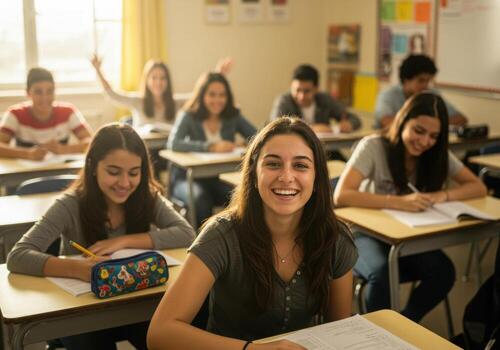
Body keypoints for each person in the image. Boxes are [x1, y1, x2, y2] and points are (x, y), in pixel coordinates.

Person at [148, 117, 357, 349]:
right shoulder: (221, 235)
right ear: (254, 176)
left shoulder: (335, 237)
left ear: (317, 178)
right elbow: (160, 333)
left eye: (300, 165)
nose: (286, 176)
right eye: (273, 164)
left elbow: (340, 332)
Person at [7, 123, 196, 350]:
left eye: (134, 173)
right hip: (82, 312)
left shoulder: (147, 197)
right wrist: (80, 270)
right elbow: (17, 256)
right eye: (113, 172)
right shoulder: (70, 205)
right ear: (93, 166)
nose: (125, 183)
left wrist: (122, 241)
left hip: (134, 304)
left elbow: (187, 234)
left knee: (169, 337)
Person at [334, 92, 487, 322]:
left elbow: (478, 187)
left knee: (444, 272)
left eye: (434, 136)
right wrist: (398, 202)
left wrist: (440, 195)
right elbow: (342, 195)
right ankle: (381, 335)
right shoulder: (374, 146)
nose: (425, 141)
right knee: (381, 274)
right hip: (366, 233)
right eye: (419, 131)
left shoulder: (435, 153)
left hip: (408, 236)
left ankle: (403, 324)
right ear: (402, 121)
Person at [167, 72, 257, 228]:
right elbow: (173, 143)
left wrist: (243, 145)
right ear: (202, 95)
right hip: (187, 179)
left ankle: (237, 243)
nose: (217, 100)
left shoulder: (232, 115)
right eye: (212, 94)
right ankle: (202, 248)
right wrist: (210, 147)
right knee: (201, 200)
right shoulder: (189, 115)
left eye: (222, 95)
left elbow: (258, 136)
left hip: (219, 177)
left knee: (246, 194)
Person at [0, 67, 92, 160]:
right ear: (28, 93)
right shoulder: (15, 114)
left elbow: (91, 142)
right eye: (38, 92)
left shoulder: (68, 112)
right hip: (26, 172)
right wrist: (27, 154)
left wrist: (64, 149)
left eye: (50, 91)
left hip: (59, 169)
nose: (45, 97)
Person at [374, 54, 468, 129]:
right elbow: (386, 122)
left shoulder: (431, 94)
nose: (425, 86)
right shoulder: (387, 96)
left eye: (428, 81)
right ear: (406, 80)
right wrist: (425, 125)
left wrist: (430, 126)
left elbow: (461, 119)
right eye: (421, 80)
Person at [270, 64, 361, 133]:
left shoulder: (324, 99)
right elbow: (275, 128)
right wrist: (314, 128)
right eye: (297, 90)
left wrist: (348, 124)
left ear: (316, 89)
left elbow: (355, 120)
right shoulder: (284, 101)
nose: (301, 96)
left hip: (324, 149)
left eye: (307, 91)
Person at [91, 55, 176, 128]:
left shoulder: (177, 103)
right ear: (147, 80)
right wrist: (98, 70)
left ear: (168, 81)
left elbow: (189, 101)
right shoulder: (138, 101)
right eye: (154, 78)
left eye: (162, 78)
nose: (158, 82)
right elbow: (113, 95)